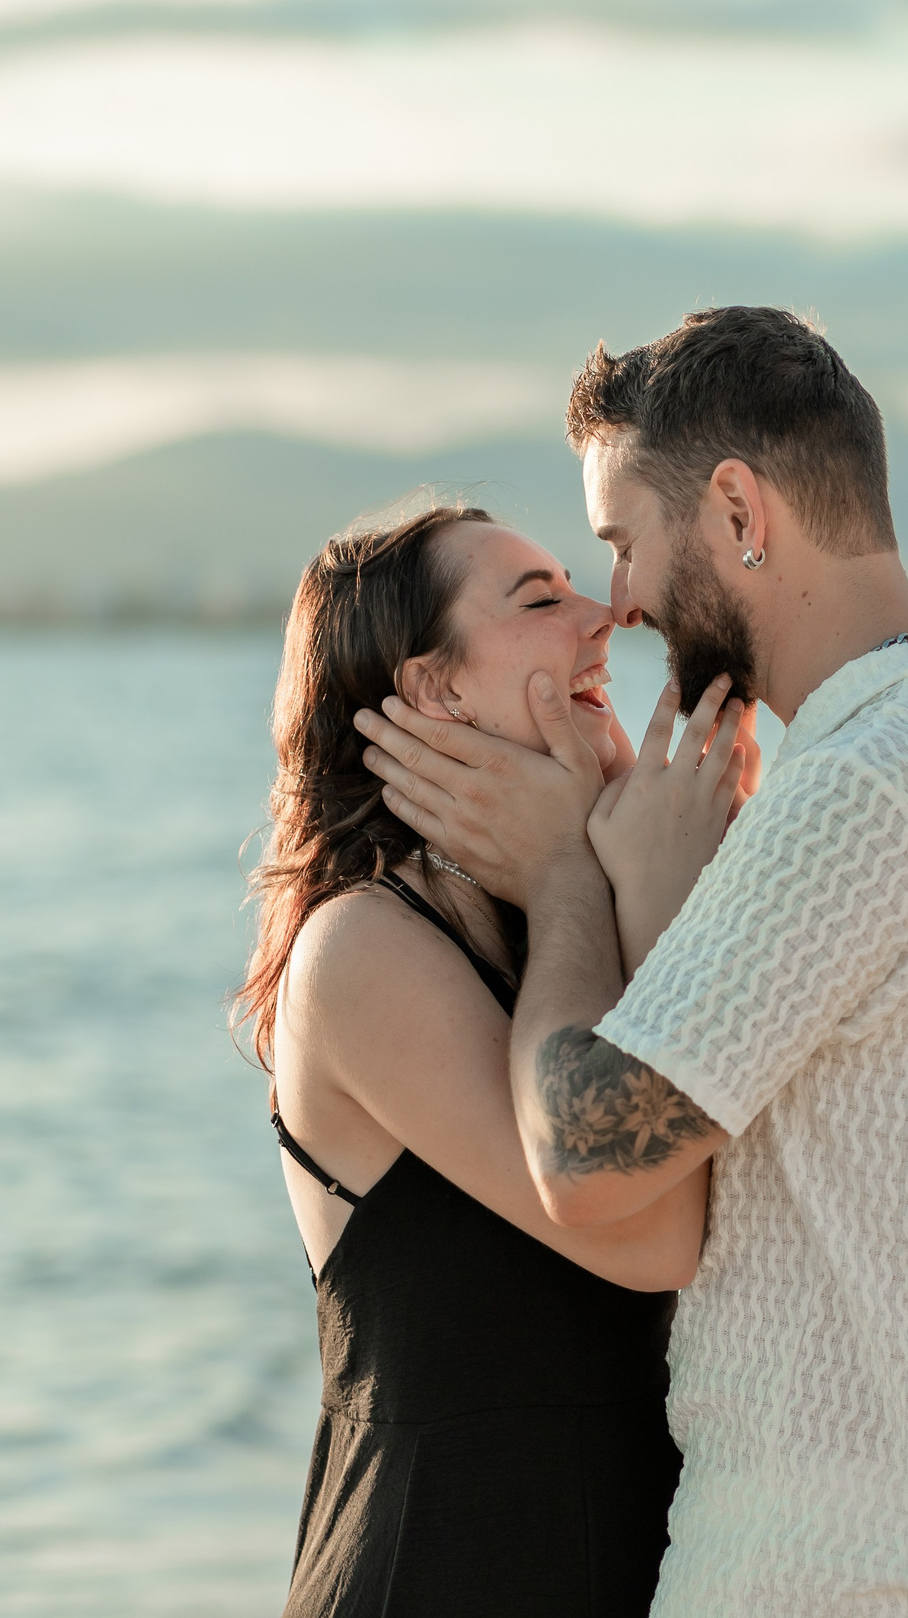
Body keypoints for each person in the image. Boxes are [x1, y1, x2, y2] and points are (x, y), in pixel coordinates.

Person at [355, 308, 908, 1615]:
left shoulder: (856, 790)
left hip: (846, 1577)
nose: (616, 601)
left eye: (622, 542)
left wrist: (568, 885)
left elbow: (585, 1151)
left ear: (738, 506)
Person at [236, 503, 745, 1618]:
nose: (606, 616)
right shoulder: (360, 949)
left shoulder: (576, 918)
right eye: (539, 600)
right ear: (433, 692)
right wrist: (572, 873)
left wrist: (646, 874)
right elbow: (657, 1234)